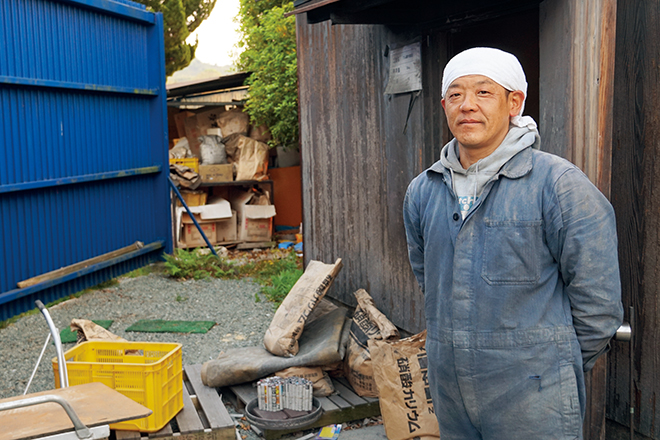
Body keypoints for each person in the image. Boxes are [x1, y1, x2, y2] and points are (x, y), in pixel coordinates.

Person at [403, 47, 623, 440]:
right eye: (455, 95)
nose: (467, 105)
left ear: (513, 103)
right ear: (443, 105)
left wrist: (551, 360)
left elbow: (599, 304)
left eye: (484, 93)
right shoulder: (424, 191)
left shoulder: (557, 185)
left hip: (534, 397)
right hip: (451, 393)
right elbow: (431, 279)